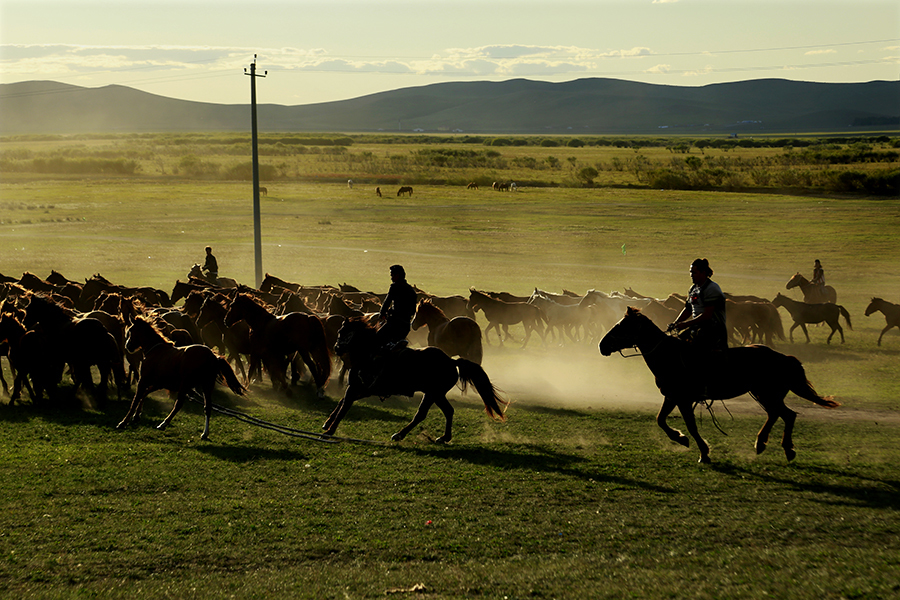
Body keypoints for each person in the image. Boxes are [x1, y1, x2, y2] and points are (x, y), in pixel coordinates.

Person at [362, 265, 418, 395]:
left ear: (398, 275)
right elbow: (413, 310)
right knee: (395, 349)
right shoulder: (411, 290)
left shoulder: (395, 287)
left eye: (392, 274)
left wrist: (383, 314)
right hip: (405, 326)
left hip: (394, 323)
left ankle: (372, 374)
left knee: (375, 341)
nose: (391, 277)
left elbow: (387, 302)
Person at [668, 258, 728, 352]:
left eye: (694, 273)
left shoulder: (712, 289)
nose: (691, 275)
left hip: (712, 331)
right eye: (690, 272)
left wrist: (686, 324)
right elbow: (688, 309)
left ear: (703, 272)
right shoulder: (693, 289)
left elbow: (707, 315)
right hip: (697, 328)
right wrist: (675, 323)